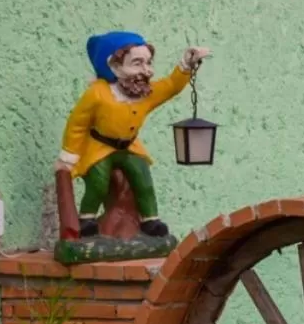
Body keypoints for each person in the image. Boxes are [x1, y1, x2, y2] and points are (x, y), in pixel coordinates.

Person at [56, 31, 210, 237]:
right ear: (115, 66)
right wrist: (69, 155)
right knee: (98, 183)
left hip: (129, 147)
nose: (146, 71)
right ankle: (87, 218)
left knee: (143, 180)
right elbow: (77, 124)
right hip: (100, 147)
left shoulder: (145, 93)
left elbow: (171, 85)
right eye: (137, 63)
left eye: (148, 63)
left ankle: (150, 220)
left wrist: (185, 64)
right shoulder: (98, 93)